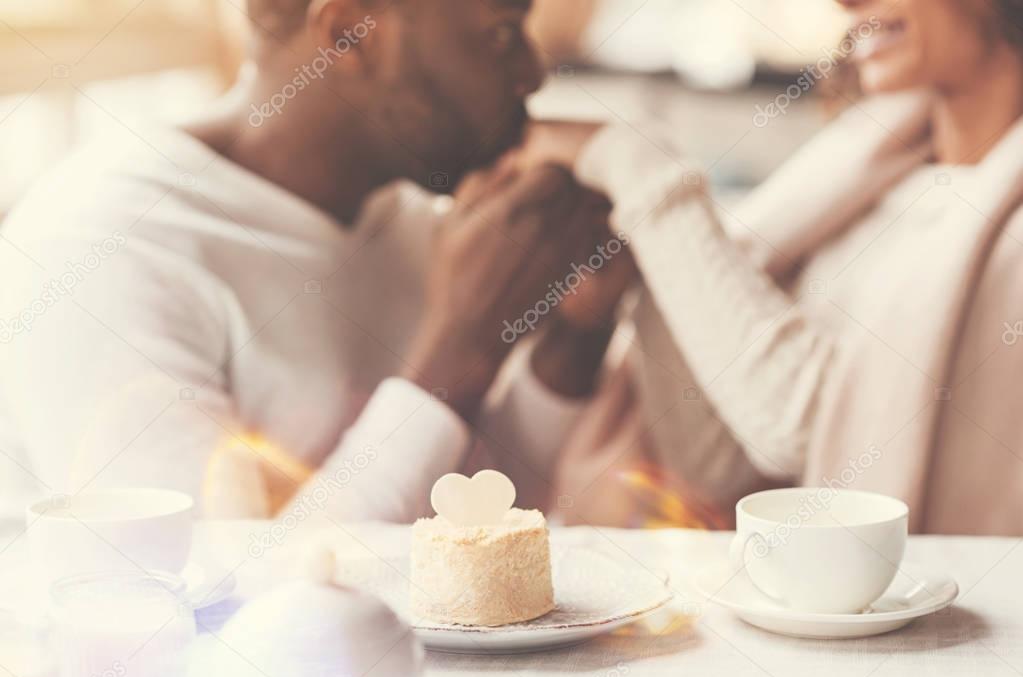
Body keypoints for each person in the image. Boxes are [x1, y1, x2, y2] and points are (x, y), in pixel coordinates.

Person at [0, 0, 627, 520]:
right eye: (501, 32)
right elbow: (223, 608)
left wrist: (574, 337)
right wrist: (457, 353)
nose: (534, 72)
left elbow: (453, 529)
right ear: (349, 33)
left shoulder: (402, 215)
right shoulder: (106, 250)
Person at [523, 0, 1023, 534]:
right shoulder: (869, 173)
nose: (846, 2)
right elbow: (719, 465)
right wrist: (642, 266)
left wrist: (632, 163)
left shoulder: (1000, 236)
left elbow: (801, 431)